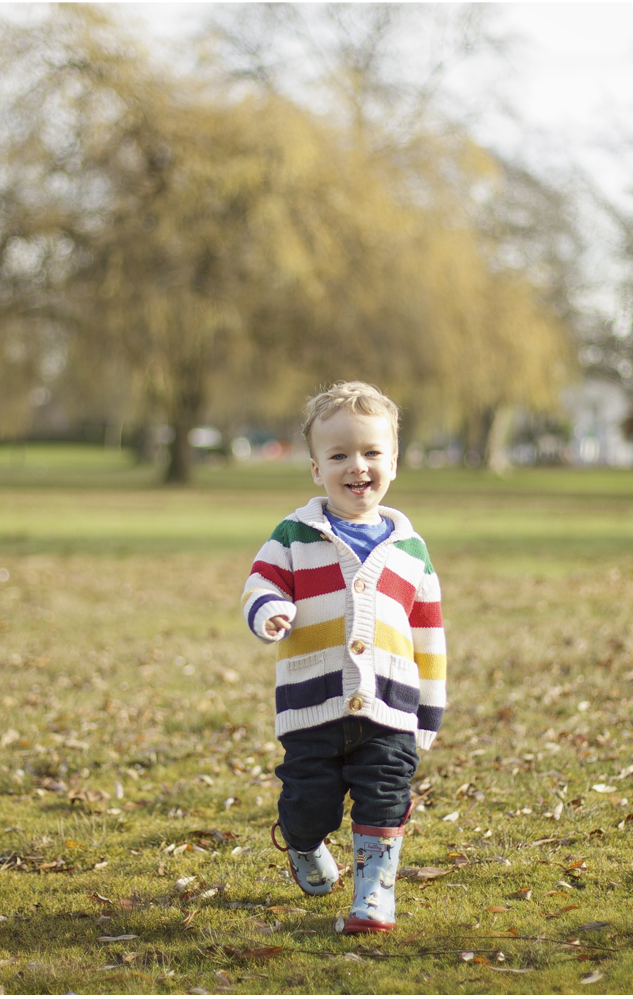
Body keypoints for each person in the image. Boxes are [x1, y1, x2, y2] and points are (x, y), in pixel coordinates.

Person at [241, 381, 446, 933]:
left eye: (371, 452)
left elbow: (428, 633)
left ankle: (374, 896)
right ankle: (304, 845)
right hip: (314, 708)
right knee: (310, 805)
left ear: (395, 462)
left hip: (391, 709)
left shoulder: (410, 550)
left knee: (385, 798)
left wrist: (429, 709)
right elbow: (259, 584)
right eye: (339, 455)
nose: (357, 466)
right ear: (316, 469)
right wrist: (270, 612)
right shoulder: (294, 534)